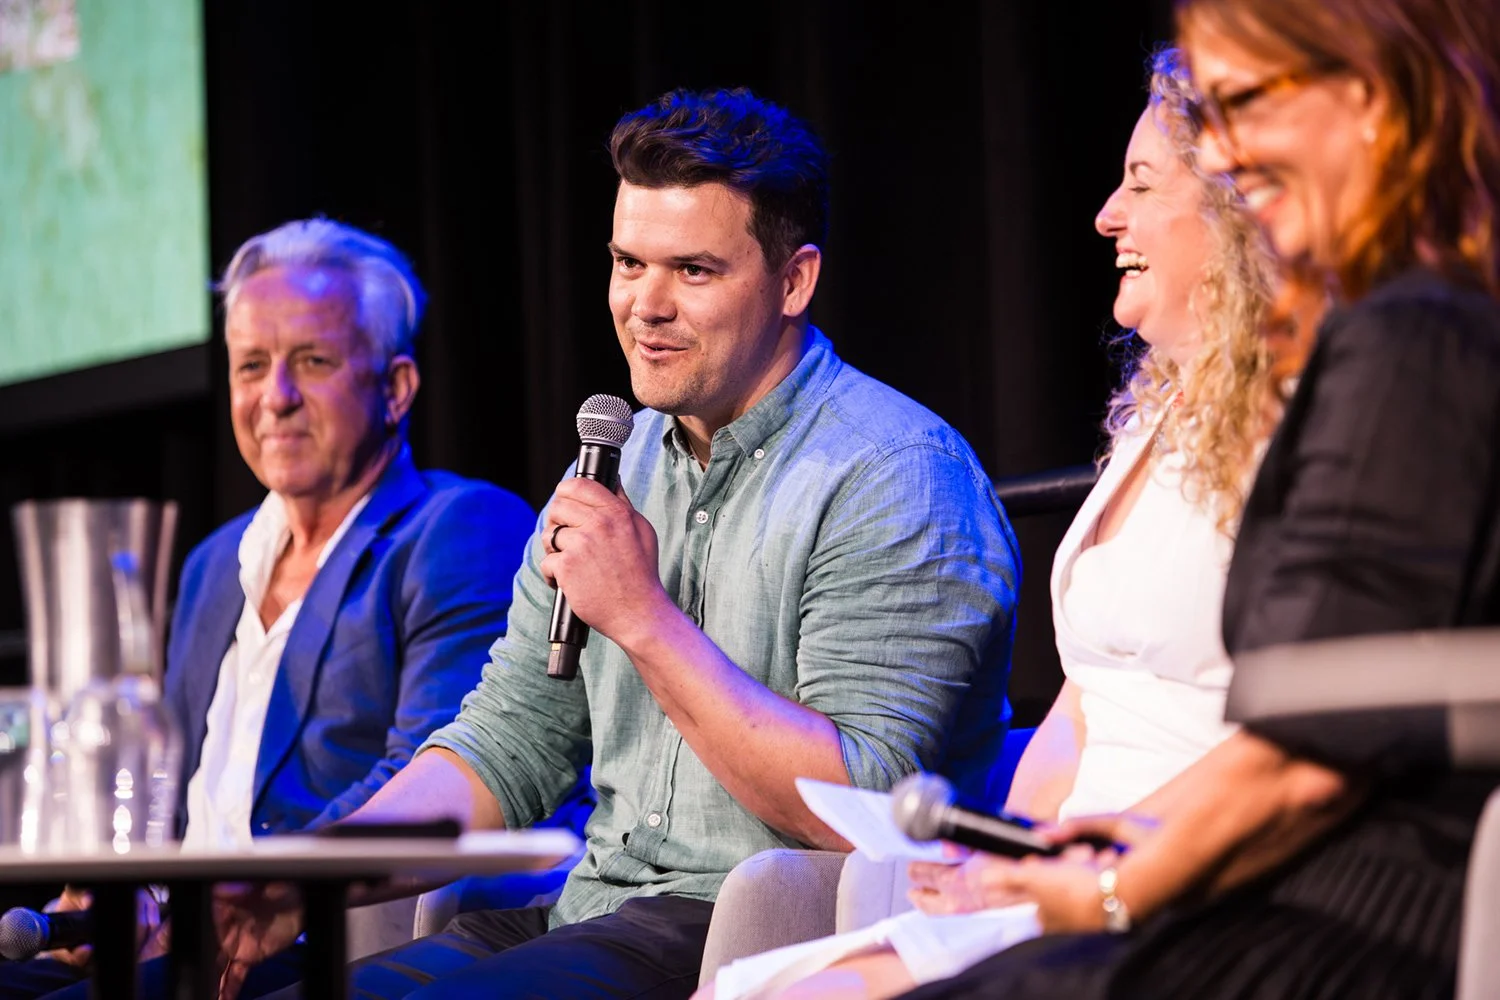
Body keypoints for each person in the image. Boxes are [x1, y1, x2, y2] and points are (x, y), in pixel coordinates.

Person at [214, 87, 1021, 1000]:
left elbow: (864, 807)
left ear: (794, 281)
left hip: (741, 928)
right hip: (586, 908)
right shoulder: (616, 459)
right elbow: (505, 744)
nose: (646, 305)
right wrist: (311, 873)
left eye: (694, 271)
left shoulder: (896, 473)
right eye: (628, 262)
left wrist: (641, 613)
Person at [894, 1, 1500, 997]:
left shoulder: (1413, 335)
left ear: (1369, 106)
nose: (1224, 154)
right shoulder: (1405, 325)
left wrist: (1112, 889)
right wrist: (1088, 848)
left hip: (1370, 921)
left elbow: (1311, 760)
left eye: (1245, 107)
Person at [697, 46, 1281, 1000]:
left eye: (1141, 182)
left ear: (1242, 208)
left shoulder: (1307, 430)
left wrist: (1073, 870)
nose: (1106, 216)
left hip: (1189, 886)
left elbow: (1280, 750)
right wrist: (994, 854)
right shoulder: (1161, 418)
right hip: (1064, 878)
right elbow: (1086, 701)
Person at [0, 218, 539, 1000]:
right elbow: (166, 785)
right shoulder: (215, 563)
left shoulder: (458, 532)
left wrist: (234, 895)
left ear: (395, 387)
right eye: (252, 365)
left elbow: (433, 776)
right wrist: (125, 889)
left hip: (312, 940)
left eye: (311, 362)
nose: (275, 397)